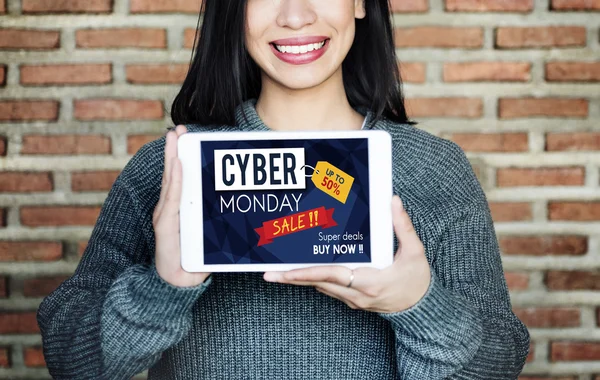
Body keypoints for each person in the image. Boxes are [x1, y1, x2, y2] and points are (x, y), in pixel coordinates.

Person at [36, 0, 530, 379]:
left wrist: (418, 304)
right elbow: (68, 359)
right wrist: (163, 288)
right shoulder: (171, 168)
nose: (295, 16)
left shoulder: (434, 169)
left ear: (360, 2)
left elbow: (500, 361)